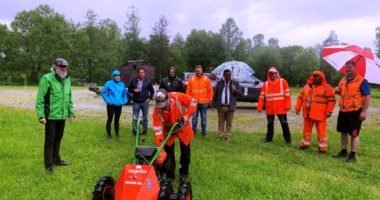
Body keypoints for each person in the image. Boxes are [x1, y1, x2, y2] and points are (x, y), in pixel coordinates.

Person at [36, 58, 74, 174]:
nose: (64, 69)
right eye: (62, 67)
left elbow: (69, 98)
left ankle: (56, 159)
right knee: (50, 140)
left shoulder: (67, 80)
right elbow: (40, 98)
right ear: (56, 67)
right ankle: (48, 165)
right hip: (50, 116)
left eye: (65, 67)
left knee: (58, 138)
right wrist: (41, 115)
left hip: (61, 116)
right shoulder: (47, 78)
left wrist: (71, 113)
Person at [153, 89, 197, 181]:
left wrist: (186, 116)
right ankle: (170, 174)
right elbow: (158, 130)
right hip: (169, 130)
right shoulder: (157, 110)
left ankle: (184, 172)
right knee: (168, 153)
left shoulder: (177, 96)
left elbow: (193, 102)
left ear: (167, 99)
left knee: (185, 151)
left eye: (164, 105)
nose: (162, 108)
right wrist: (160, 146)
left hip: (182, 126)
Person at [332, 61, 371, 162]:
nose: (347, 69)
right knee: (343, 132)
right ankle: (344, 151)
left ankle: (352, 155)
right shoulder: (343, 80)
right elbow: (341, 92)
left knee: (354, 133)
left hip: (355, 112)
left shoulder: (362, 81)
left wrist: (364, 112)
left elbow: (367, 96)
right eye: (346, 68)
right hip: (343, 110)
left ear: (355, 68)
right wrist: (337, 90)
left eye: (349, 67)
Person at [295, 71, 336, 153]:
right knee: (306, 131)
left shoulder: (327, 88)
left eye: (317, 76)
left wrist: (329, 111)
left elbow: (331, 101)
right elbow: (300, 97)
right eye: (314, 76)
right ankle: (305, 145)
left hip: (320, 114)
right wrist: (297, 107)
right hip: (307, 113)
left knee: (321, 131)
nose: (315, 77)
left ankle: (322, 148)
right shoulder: (307, 86)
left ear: (322, 77)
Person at [257, 66, 291, 144]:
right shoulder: (265, 84)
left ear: (276, 74)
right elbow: (261, 96)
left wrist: (288, 105)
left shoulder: (283, 82)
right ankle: (268, 139)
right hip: (270, 108)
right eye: (270, 73)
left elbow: (287, 95)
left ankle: (288, 141)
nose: (272, 75)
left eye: (273, 73)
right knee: (270, 124)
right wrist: (259, 106)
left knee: (284, 123)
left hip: (281, 107)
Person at [212, 69, 241, 141]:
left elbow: (240, 94)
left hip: (230, 106)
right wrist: (213, 104)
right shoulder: (219, 83)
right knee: (220, 122)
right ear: (224, 76)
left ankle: (227, 136)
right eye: (227, 75)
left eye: (230, 75)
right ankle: (220, 135)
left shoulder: (235, 83)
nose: (228, 76)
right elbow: (215, 94)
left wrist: (235, 90)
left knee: (229, 123)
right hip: (221, 106)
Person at [186, 65, 213, 137]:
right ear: (195, 71)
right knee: (194, 118)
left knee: (203, 118)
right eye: (197, 71)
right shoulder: (191, 79)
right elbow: (188, 91)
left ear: (202, 71)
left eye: (199, 71)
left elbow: (210, 90)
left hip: (204, 103)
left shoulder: (207, 79)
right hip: (194, 103)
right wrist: (187, 101)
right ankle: (193, 133)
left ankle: (203, 133)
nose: (198, 72)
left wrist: (210, 100)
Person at [101, 70, 127, 140]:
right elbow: (103, 92)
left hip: (119, 105)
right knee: (110, 119)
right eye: (116, 75)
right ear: (113, 76)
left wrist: (124, 101)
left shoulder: (122, 84)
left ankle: (117, 134)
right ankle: (109, 136)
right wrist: (108, 101)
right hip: (111, 105)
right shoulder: (109, 83)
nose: (117, 77)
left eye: (118, 75)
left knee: (117, 120)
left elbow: (124, 94)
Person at [128, 67, 155, 135]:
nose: (141, 74)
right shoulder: (133, 81)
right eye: (140, 72)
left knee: (145, 117)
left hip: (145, 102)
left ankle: (144, 131)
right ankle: (135, 131)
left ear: (144, 73)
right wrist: (134, 90)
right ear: (138, 73)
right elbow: (129, 89)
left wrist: (150, 98)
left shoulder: (148, 81)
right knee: (135, 117)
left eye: (142, 72)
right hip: (136, 102)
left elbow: (152, 91)